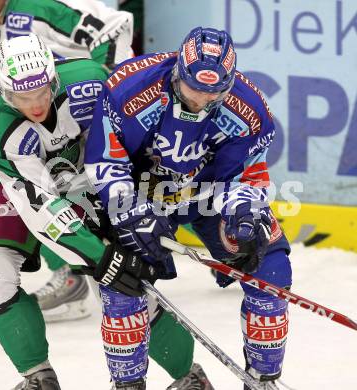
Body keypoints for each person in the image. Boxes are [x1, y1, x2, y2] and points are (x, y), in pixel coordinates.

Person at [0, 33, 211, 390]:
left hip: (97, 182)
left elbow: (127, 140)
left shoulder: (90, 80)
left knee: (127, 290)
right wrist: (102, 257)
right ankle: (38, 377)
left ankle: (189, 376)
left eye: (42, 91)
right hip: (16, 193)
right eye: (22, 97)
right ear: (6, 93)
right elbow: (41, 210)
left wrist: (134, 201)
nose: (35, 105)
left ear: (53, 77)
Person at [84, 27, 292, 389]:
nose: (201, 99)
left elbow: (246, 176)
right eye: (194, 87)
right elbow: (105, 162)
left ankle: (263, 380)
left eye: (214, 91)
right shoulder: (129, 89)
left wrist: (244, 213)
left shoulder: (251, 110)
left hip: (208, 196)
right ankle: (128, 385)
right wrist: (127, 208)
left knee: (270, 266)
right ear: (177, 71)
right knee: (121, 281)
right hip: (143, 196)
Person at [0, 0, 135, 322]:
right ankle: (73, 271)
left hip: (82, 115)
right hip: (37, 125)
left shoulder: (41, 7)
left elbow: (115, 29)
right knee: (33, 194)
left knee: (118, 188)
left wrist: (105, 93)